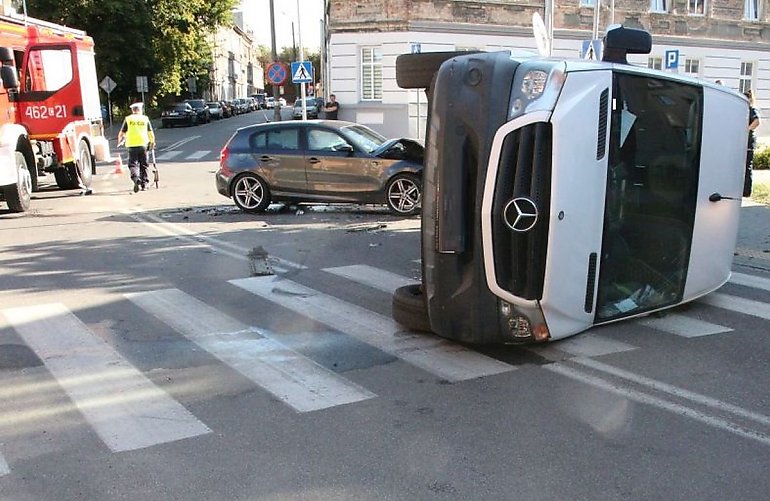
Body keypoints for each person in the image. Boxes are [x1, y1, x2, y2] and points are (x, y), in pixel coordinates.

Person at [118, 102, 155, 192]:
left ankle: (136, 179)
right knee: (144, 165)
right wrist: (152, 142)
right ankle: (144, 184)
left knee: (133, 164)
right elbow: (150, 132)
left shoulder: (128, 119)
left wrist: (119, 141)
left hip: (131, 146)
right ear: (140, 110)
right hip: (143, 145)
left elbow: (122, 132)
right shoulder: (145, 119)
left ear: (132, 110)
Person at [744, 89, 760, 197]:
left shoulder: (751, 109)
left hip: (749, 142)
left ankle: (747, 191)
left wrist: (747, 130)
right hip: (745, 142)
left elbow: (757, 121)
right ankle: (744, 190)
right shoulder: (745, 109)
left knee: (747, 167)